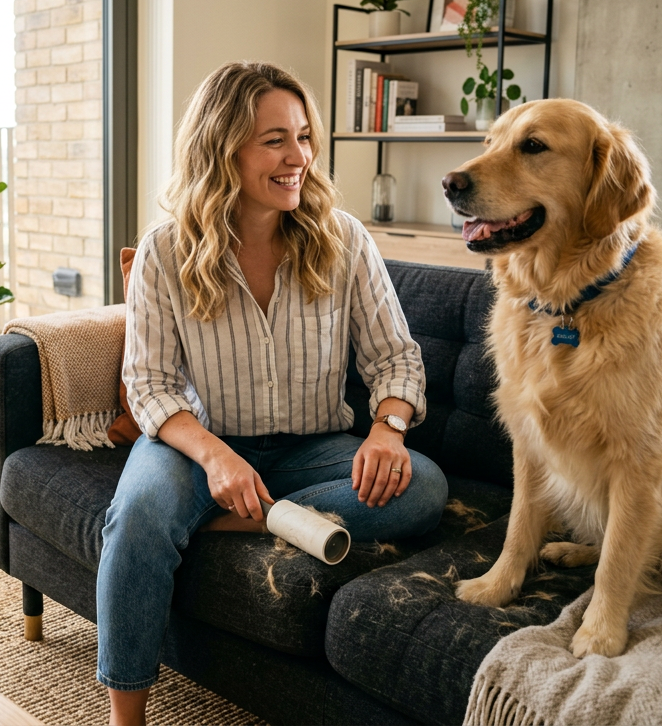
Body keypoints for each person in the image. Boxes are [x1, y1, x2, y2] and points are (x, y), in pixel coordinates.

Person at [101, 61, 447, 725]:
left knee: (423, 486)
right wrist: (216, 458)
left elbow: (396, 357)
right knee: (138, 517)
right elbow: (149, 385)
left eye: (305, 136)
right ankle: (127, 718)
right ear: (221, 147)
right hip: (197, 446)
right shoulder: (165, 252)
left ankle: (228, 518)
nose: (299, 158)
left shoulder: (343, 239)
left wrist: (388, 429)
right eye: (275, 140)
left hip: (314, 446)